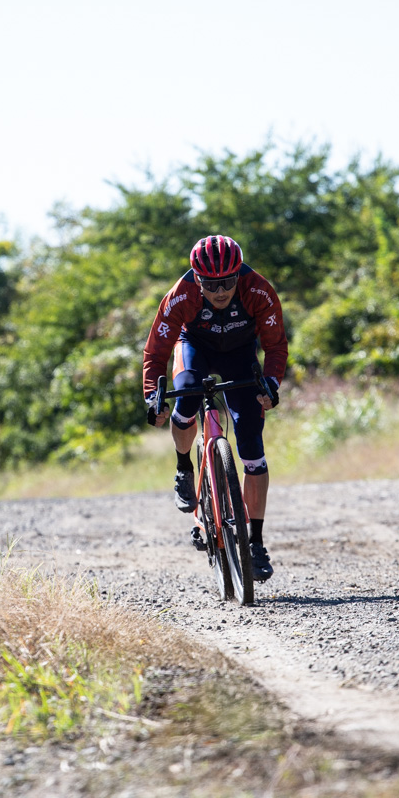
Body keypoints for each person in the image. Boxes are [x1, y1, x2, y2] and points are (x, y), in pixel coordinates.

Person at [142, 235, 288, 582]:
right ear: (197, 279)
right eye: (211, 284)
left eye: (228, 282)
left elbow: (275, 346)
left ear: (240, 274)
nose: (221, 291)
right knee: (187, 393)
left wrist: (271, 385)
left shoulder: (258, 290)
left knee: (252, 442)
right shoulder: (181, 294)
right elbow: (156, 351)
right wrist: (153, 395)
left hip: (240, 353)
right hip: (195, 346)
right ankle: (183, 468)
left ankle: (256, 543)